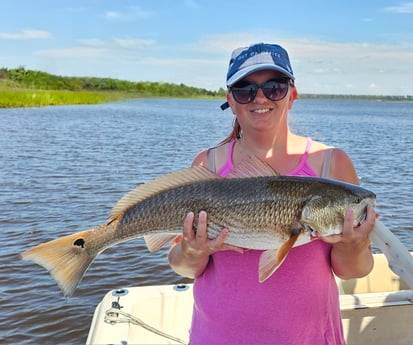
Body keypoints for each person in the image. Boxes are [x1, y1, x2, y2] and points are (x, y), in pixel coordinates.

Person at [168, 42, 376, 345]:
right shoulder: (207, 165)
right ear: (231, 100)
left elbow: (354, 270)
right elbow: (182, 266)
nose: (260, 97)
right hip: (217, 336)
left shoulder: (332, 163)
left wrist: (354, 245)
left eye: (274, 87)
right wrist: (193, 250)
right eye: (245, 89)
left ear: (292, 95)